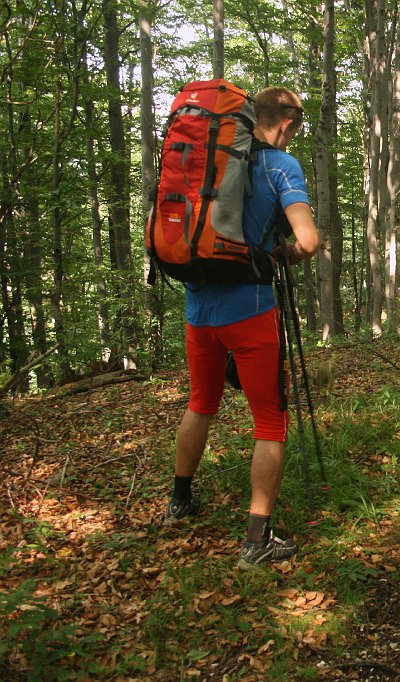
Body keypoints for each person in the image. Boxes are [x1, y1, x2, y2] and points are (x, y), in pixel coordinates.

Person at [161, 87, 321, 571]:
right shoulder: (280, 166)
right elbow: (308, 240)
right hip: (250, 313)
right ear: (287, 123)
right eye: (296, 129)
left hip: (198, 309)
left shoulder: (211, 160)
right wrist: (281, 255)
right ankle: (257, 539)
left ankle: (178, 502)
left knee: (200, 403)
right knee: (270, 421)